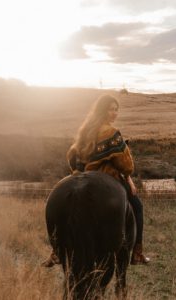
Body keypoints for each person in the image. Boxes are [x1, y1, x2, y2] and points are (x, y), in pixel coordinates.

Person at [42, 94, 149, 267]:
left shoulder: (85, 130)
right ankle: (137, 253)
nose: (114, 113)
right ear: (103, 110)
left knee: (55, 202)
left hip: (80, 174)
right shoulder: (112, 133)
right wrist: (128, 177)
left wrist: (80, 172)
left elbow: (72, 156)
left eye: (116, 110)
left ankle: (56, 250)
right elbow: (125, 164)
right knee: (137, 206)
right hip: (108, 176)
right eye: (111, 109)